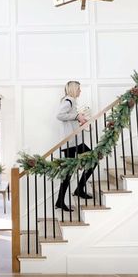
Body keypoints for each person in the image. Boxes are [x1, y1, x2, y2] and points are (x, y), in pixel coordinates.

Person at [55, 81, 95, 212]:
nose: (80, 91)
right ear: (73, 89)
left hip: (74, 142)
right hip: (70, 143)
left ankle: (75, 192)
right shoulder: (68, 101)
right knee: (70, 171)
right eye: (79, 89)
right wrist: (77, 116)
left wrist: (80, 120)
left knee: (90, 161)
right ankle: (69, 195)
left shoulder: (71, 101)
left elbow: (69, 119)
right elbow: (59, 115)